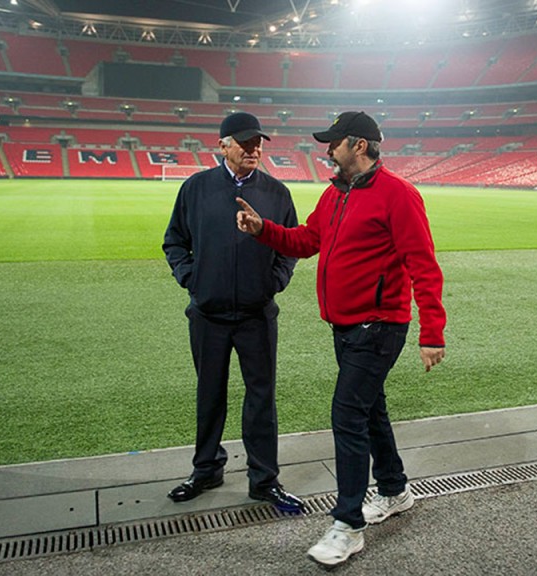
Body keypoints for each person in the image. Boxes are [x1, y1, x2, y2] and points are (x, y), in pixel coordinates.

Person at [235, 111, 446, 567]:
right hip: (345, 325)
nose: (326, 150)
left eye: (334, 143)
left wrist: (432, 332)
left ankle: (347, 525)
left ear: (359, 145)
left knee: (347, 414)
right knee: (370, 411)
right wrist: (264, 231)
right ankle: (394, 489)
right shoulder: (335, 195)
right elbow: (308, 240)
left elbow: (423, 266)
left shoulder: (399, 195)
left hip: (380, 325)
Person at [162, 111, 303, 513]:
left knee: (261, 398)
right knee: (209, 395)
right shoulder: (196, 188)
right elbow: (174, 242)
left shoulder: (277, 193)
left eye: (258, 142)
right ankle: (206, 469)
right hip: (208, 314)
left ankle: (264, 479)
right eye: (244, 142)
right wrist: (192, 279)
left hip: (258, 315)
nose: (254, 149)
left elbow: (290, 248)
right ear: (222, 145)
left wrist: (274, 282)